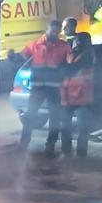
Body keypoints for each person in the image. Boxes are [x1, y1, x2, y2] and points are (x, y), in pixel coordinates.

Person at [18, 19, 71, 154]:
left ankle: (50, 147)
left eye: (57, 32)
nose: (55, 34)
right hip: (38, 88)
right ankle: (23, 144)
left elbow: (70, 63)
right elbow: (22, 56)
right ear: (47, 29)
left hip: (54, 88)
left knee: (54, 119)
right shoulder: (35, 44)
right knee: (30, 116)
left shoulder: (64, 46)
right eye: (53, 31)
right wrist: (13, 57)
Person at [60, 31, 95, 157]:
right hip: (68, 97)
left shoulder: (88, 56)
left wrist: (60, 69)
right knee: (65, 127)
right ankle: (66, 152)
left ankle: (81, 154)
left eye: (79, 40)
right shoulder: (70, 54)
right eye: (76, 40)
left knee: (82, 129)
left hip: (82, 97)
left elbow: (72, 69)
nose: (77, 43)